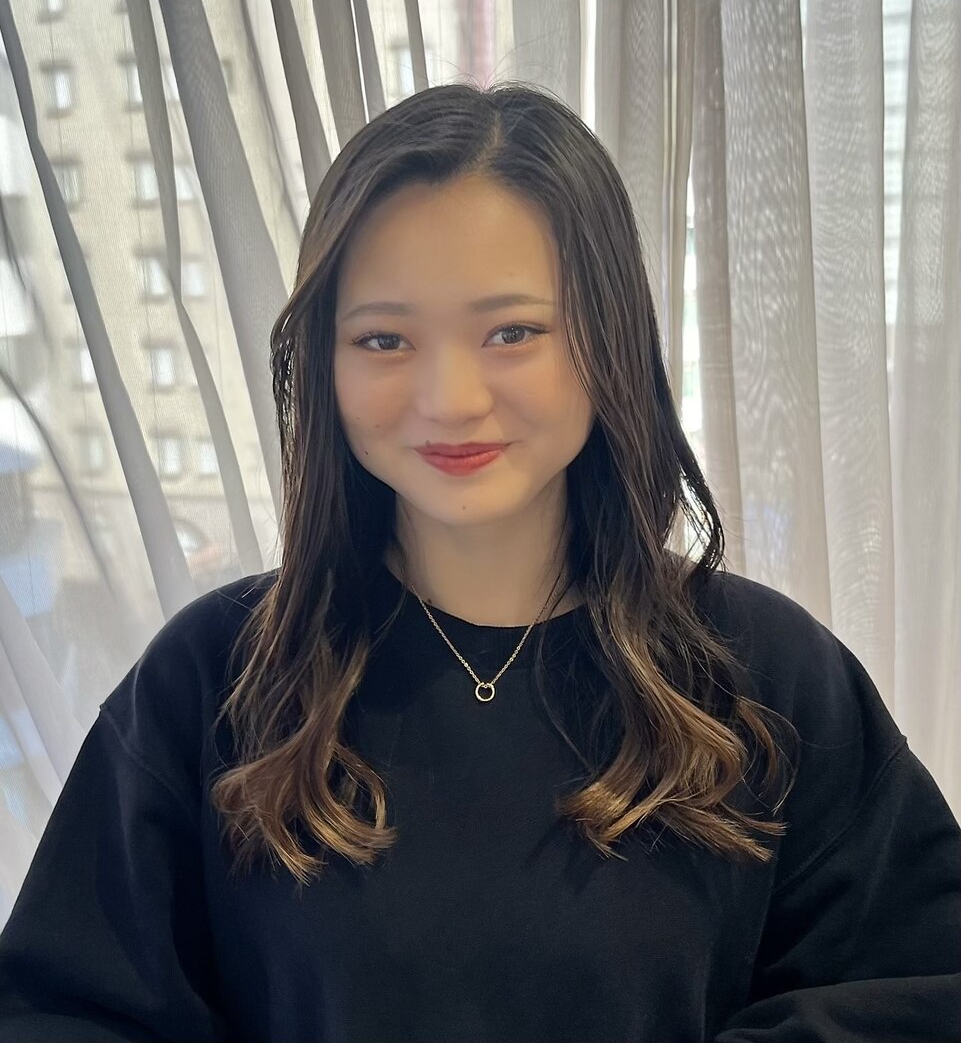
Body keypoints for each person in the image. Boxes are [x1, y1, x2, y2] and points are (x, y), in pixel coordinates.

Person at [0, 81, 958, 1043]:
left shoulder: (764, 675)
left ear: (608, 338)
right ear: (324, 362)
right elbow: (63, 1009)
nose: (451, 398)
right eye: (384, 339)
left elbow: (917, 988)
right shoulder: (217, 677)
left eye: (512, 333)